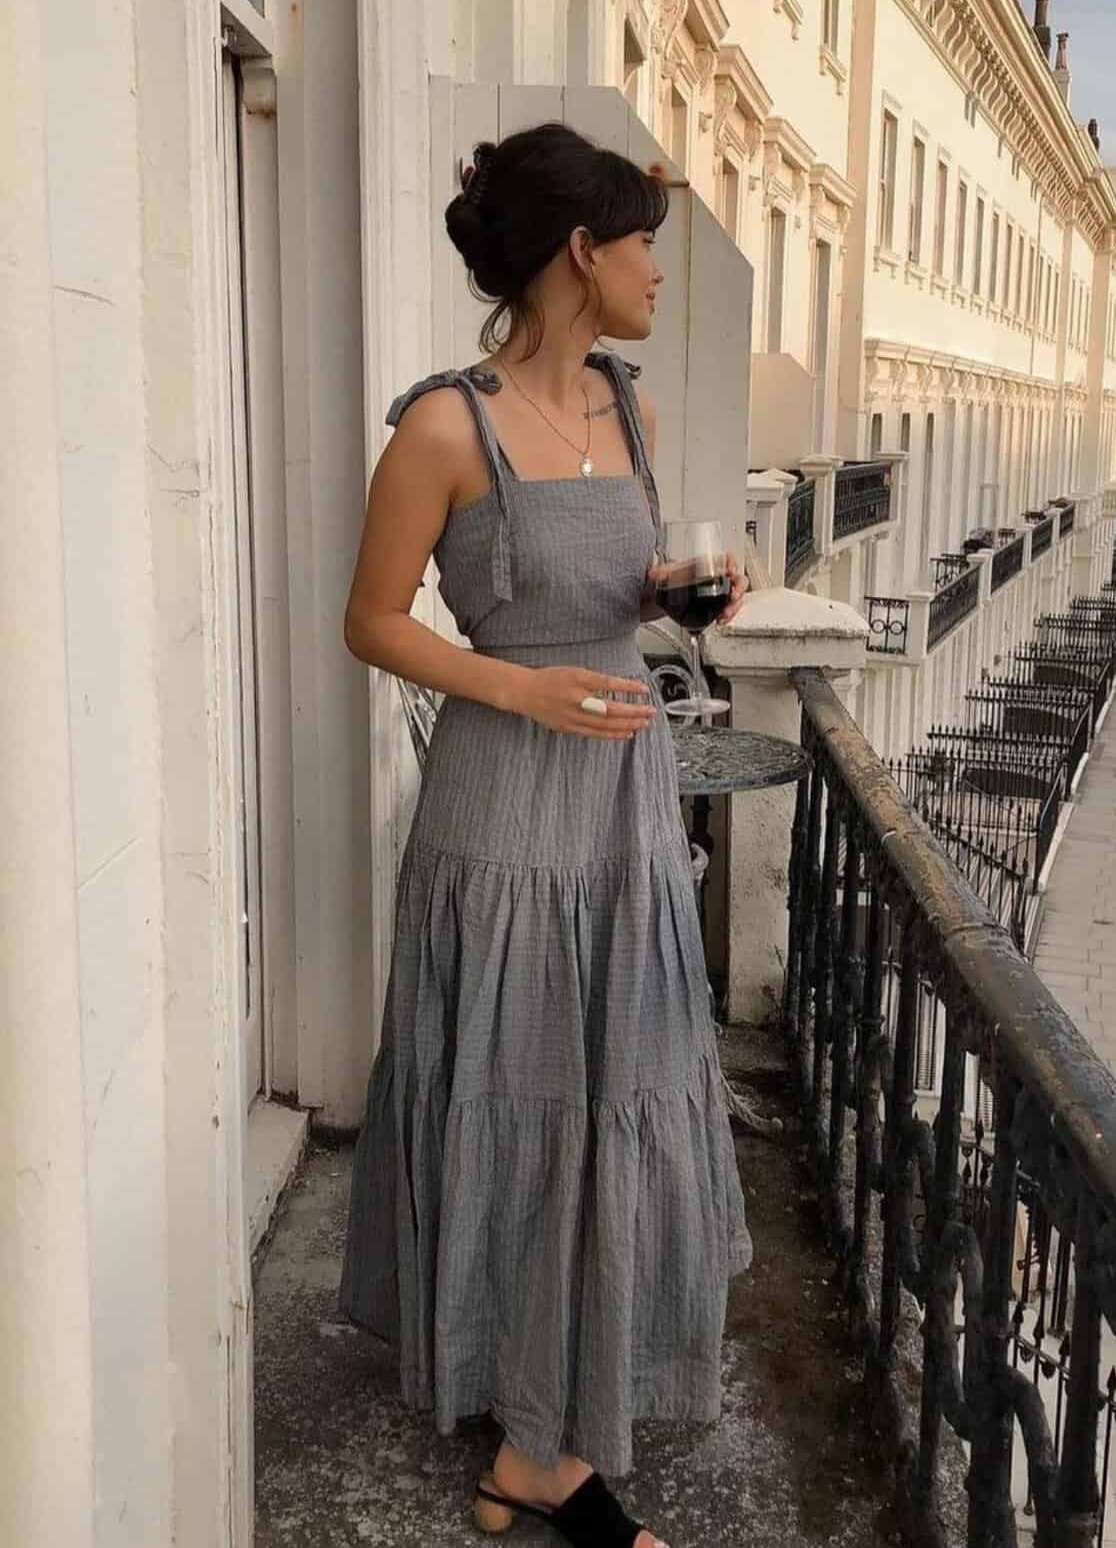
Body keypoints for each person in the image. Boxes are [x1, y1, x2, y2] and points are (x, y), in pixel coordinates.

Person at [338, 122, 752, 1547]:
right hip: (505, 809)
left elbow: (601, 591)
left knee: (616, 1084)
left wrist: (675, 592)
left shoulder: (629, 407)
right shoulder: (442, 428)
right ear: (583, 251)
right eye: (644, 245)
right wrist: (522, 687)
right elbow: (372, 621)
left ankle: (555, 1406)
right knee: (517, 1093)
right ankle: (537, 1446)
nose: (658, 275)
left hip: (622, 803)